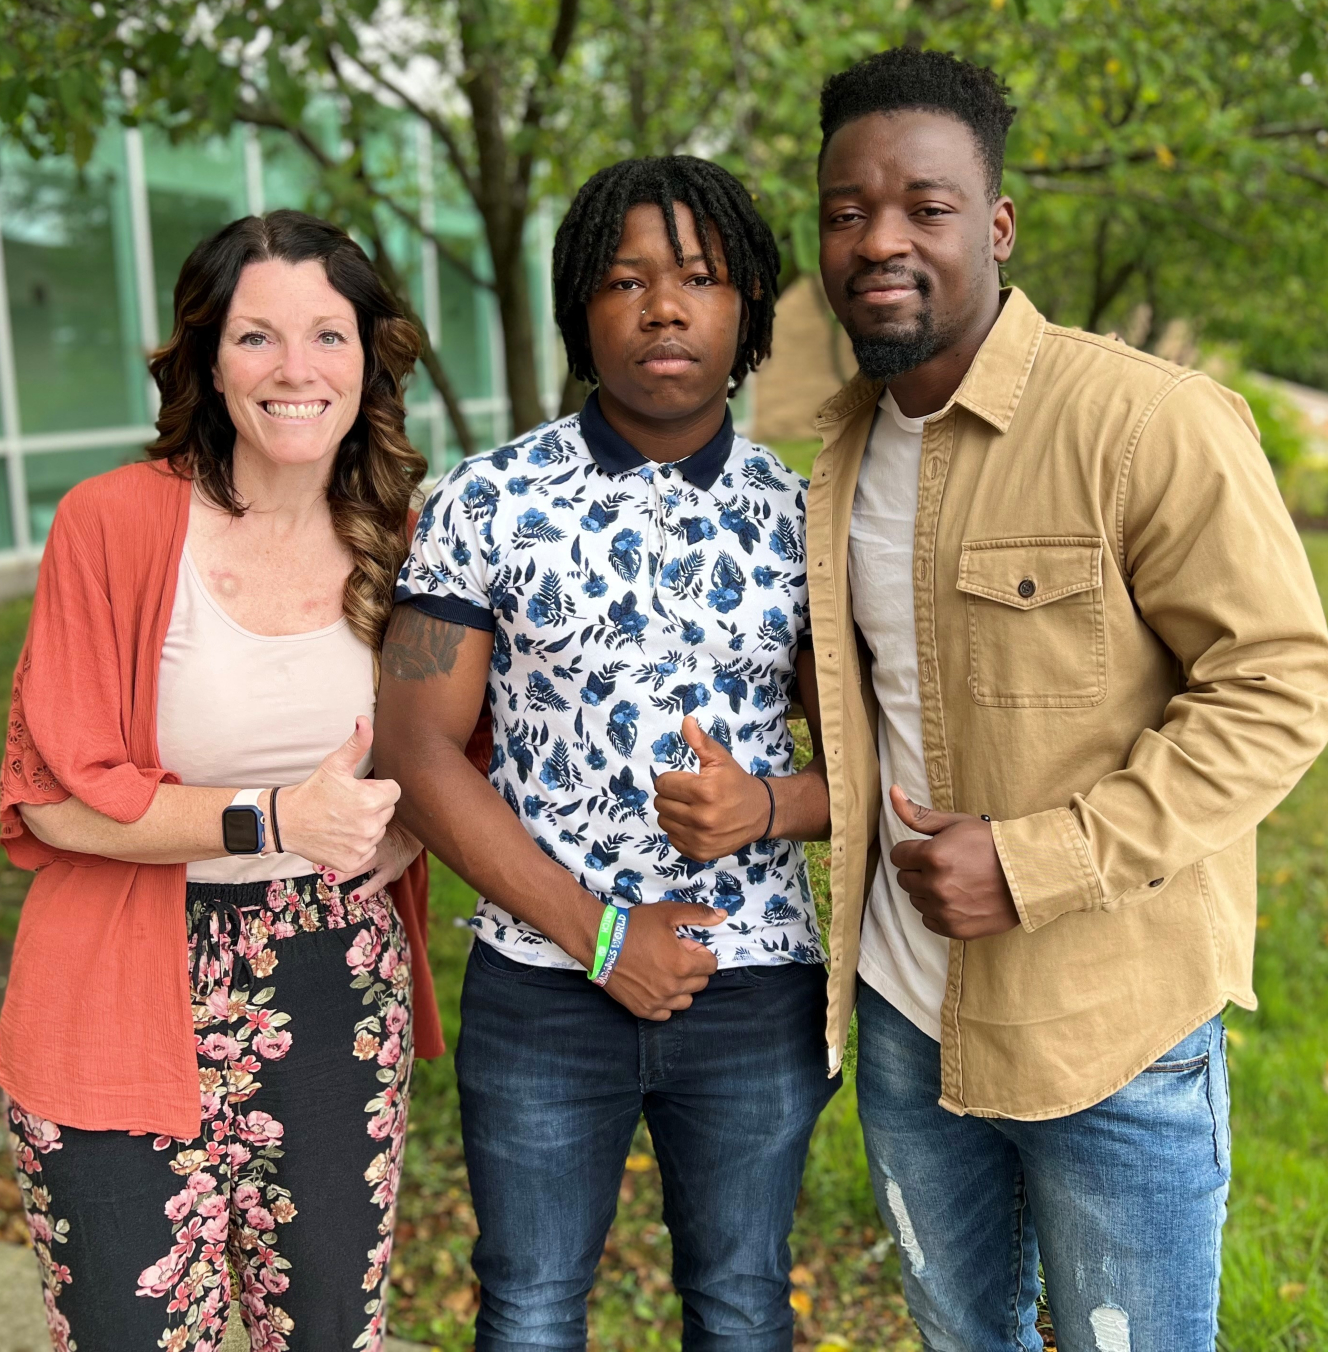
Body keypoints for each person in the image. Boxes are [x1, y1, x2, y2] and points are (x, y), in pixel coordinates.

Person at [806, 46, 1328, 1352]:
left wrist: (1042, 862)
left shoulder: (1149, 426)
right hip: (902, 1011)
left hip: (1109, 1033)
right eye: (846, 209)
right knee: (958, 1334)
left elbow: (1278, 688)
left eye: (924, 206)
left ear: (995, 225)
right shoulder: (840, 450)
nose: (881, 240)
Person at [375, 155, 837, 1351]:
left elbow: (875, 767)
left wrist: (768, 804)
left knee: (742, 1303)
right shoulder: (487, 500)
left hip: (755, 981)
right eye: (626, 279)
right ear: (582, 304)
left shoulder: (808, 520)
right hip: (542, 983)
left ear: (748, 310)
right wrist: (598, 933)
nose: (664, 307)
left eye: (698, 277)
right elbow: (417, 747)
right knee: (529, 1308)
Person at [0, 210, 445, 1352]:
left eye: (326, 335)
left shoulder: (407, 538)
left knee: (327, 1331)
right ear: (206, 357)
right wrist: (277, 815)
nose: (295, 370)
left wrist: (406, 825)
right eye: (256, 337)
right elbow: (53, 791)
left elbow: (450, 738)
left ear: (368, 353)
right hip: (118, 976)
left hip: (336, 979)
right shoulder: (113, 522)